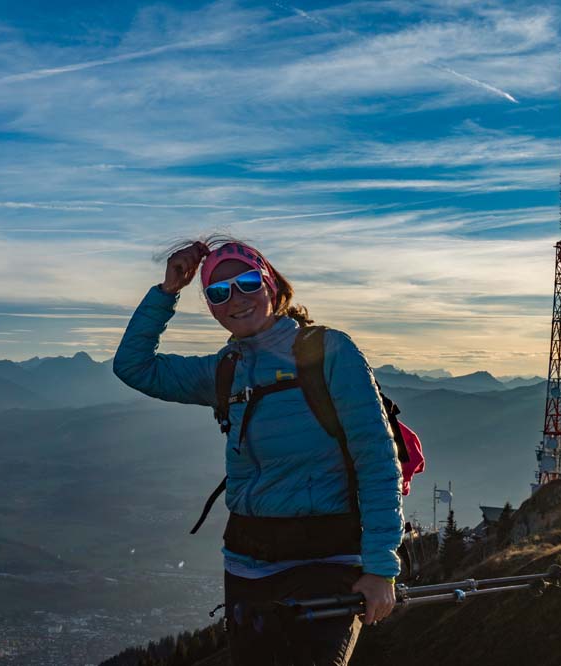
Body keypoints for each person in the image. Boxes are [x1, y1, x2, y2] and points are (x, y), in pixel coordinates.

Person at [112, 237, 403, 666]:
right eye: (218, 292)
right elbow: (133, 367)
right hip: (248, 564)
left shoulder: (329, 352)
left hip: (327, 559)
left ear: (270, 282)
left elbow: (377, 459)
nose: (236, 299)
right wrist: (168, 290)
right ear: (211, 306)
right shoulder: (224, 369)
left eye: (247, 282)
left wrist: (380, 568)